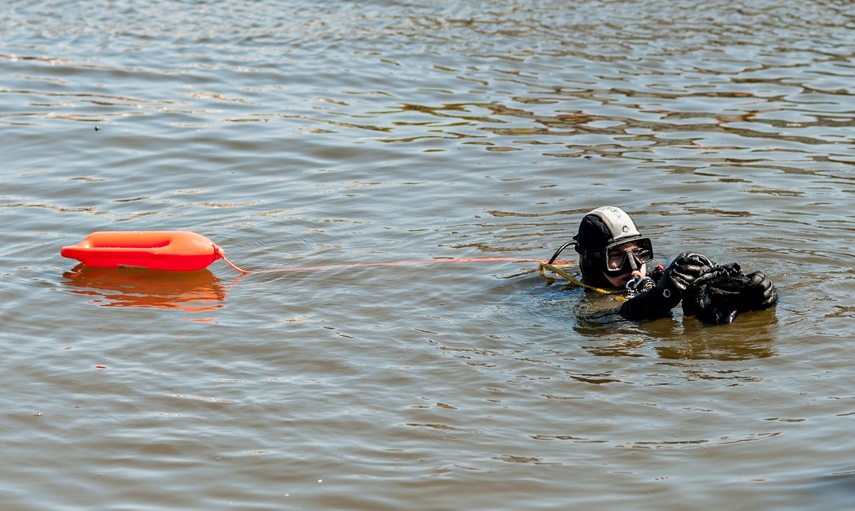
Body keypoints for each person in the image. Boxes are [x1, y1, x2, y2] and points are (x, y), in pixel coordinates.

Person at [545, 206, 778, 323]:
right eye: (615, 257)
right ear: (594, 263)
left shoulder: (663, 278)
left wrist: (753, 297)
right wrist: (657, 301)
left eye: (637, 254)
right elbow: (593, 323)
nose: (633, 267)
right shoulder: (569, 298)